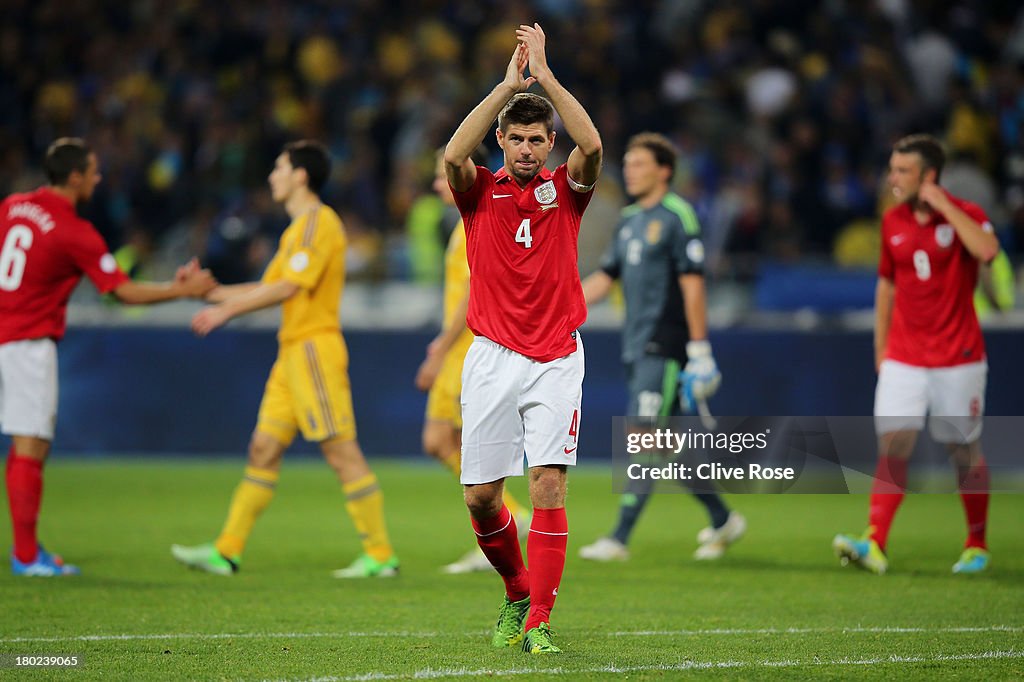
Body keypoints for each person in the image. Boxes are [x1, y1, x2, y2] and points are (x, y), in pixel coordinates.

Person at [444, 23, 602, 654]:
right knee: (483, 499)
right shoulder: (479, 192)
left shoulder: (567, 191)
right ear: (502, 141)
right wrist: (507, 85)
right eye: (517, 137)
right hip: (491, 357)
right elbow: (454, 156)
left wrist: (547, 73)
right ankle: (516, 588)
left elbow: (592, 142)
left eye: (539, 138)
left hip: (557, 357)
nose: (529, 148)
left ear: (549, 143)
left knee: (546, 485)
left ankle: (539, 620)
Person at [171, 141, 398, 578]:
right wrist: (207, 290)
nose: (272, 176)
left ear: (299, 176)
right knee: (263, 447)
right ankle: (227, 549)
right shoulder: (296, 231)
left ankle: (381, 553)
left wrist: (224, 311)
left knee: (340, 452)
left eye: (278, 168)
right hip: (291, 354)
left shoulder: (318, 223)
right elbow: (267, 287)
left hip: (314, 349)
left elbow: (289, 288)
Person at [1, 137, 216, 577]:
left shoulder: (12, 207)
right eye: (94, 171)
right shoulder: (73, 231)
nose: (99, 178)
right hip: (27, 342)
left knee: (25, 444)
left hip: (6, 331)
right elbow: (121, 292)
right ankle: (26, 557)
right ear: (75, 176)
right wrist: (183, 290)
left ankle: (27, 549)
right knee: (32, 444)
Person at [833, 134, 1000, 575]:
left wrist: (944, 205)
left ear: (928, 176)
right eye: (892, 169)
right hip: (905, 356)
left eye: (902, 171)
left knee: (962, 451)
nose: (893, 178)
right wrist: (880, 347)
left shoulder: (968, 216)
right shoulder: (893, 222)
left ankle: (976, 544)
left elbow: (986, 251)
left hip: (958, 355)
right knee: (893, 445)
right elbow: (886, 285)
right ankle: (875, 543)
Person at [578, 133, 745, 563]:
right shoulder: (630, 219)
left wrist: (701, 349)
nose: (630, 170)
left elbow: (693, 285)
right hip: (635, 344)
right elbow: (605, 276)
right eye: (628, 163)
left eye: (639, 163)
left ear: (663, 171)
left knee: (642, 434)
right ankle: (722, 518)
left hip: (665, 343)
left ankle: (618, 537)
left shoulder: (677, 217)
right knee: (667, 447)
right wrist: (562, 305)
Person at [414, 147, 532, 574]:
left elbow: (471, 293)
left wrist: (439, 348)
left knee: (463, 444)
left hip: (467, 349)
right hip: (457, 350)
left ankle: (503, 522)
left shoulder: (472, 223)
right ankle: (507, 517)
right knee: (440, 442)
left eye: (438, 177)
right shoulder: (459, 226)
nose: (434, 185)